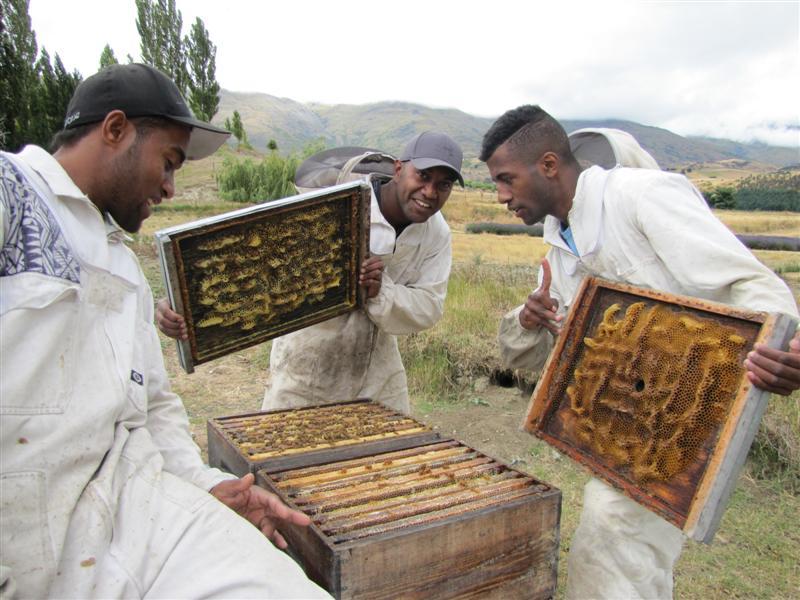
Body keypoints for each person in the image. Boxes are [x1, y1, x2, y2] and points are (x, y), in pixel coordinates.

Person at [0, 63, 329, 598]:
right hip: (25, 539)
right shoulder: (13, 193)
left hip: (138, 510)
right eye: (169, 162)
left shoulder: (123, 264)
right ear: (114, 130)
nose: (171, 188)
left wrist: (208, 484)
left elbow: (151, 406)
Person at [479, 104, 800, 599]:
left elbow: (755, 287)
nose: (500, 196)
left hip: (686, 417)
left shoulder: (642, 196)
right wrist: (530, 319)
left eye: (506, 179)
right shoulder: (558, 249)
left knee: (613, 546)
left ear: (547, 165)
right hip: (624, 426)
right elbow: (538, 357)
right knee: (623, 557)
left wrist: (783, 348)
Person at [157, 131, 464, 414]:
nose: (430, 191)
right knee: (284, 456)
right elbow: (249, 269)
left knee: (386, 457)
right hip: (308, 364)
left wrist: (381, 291)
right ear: (399, 169)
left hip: (379, 370)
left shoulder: (437, 234)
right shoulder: (335, 206)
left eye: (443, 185)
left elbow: (429, 306)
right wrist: (183, 305)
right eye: (422, 176)